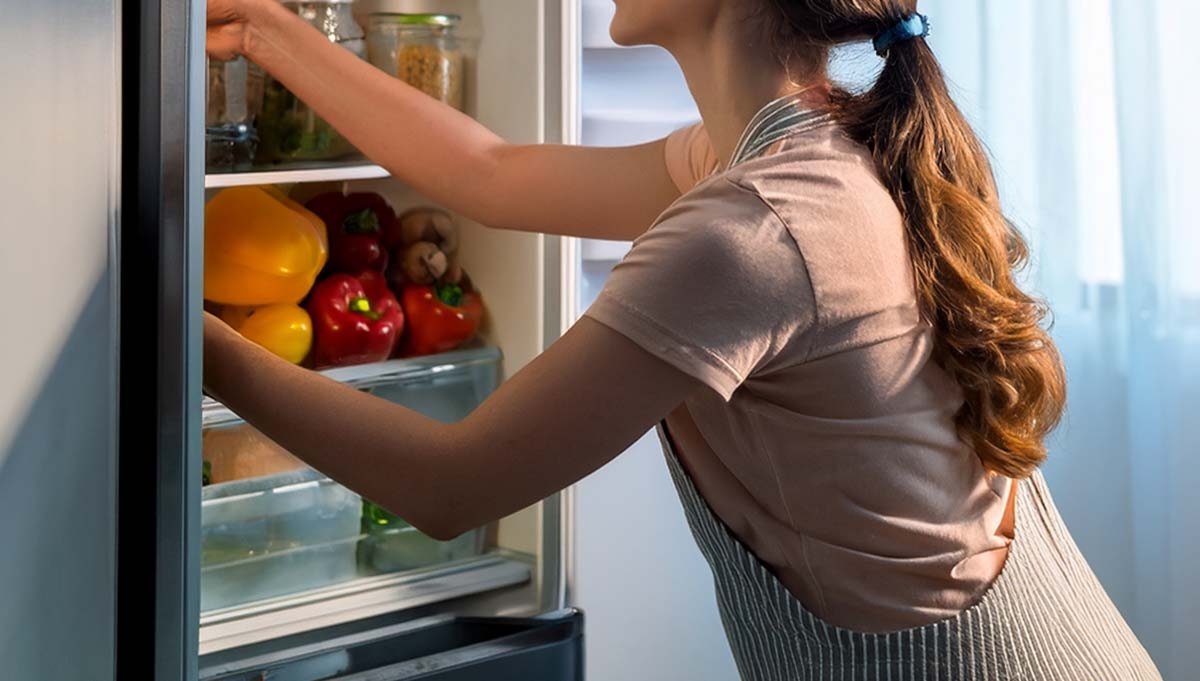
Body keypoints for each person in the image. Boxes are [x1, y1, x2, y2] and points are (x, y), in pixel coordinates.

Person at [204, 0, 1162, 677]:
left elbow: (453, 485)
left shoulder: (753, 230)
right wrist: (265, 31)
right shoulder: (819, 149)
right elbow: (488, 174)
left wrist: (185, 335)